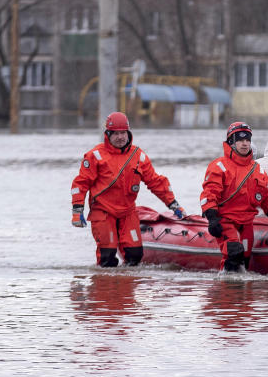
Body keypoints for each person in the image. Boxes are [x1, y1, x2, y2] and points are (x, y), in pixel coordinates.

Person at [71, 111, 185, 267]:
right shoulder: (95, 156)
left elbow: (156, 182)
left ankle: (125, 288)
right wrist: (77, 210)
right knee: (107, 257)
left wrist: (173, 204)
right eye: (116, 133)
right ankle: (104, 288)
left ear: (128, 133)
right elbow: (81, 184)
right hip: (103, 211)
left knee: (135, 254)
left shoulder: (138, 156)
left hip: (127, 212)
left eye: (123, 133)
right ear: (108, 134)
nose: (120, 137)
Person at [201, 122, 268, 272]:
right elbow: (209, 194)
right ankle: (227, 290)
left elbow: (265, 197)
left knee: (245, 257)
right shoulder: (219, 166)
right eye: (240, 140)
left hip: (247, 222)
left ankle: (241, 293)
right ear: (232, 142)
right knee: (234, 252)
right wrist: (212, 218)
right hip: (225, 220)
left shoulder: (256, 168)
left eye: (247, 140)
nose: (245, 144)